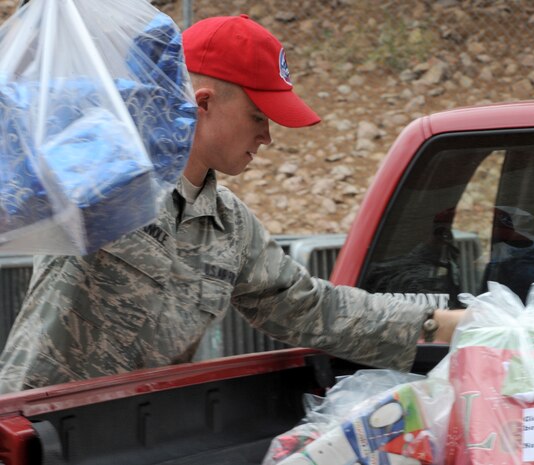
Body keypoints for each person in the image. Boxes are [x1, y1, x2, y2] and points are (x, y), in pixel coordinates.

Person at [0, 14, 464, 393]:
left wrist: (445, 326)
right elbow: (18, 182)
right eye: (257, 117)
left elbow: (312, 309)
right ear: (202, 102)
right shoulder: (111, 175)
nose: (266, 136)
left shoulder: (231, 227)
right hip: (38, 429)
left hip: (132, 435)